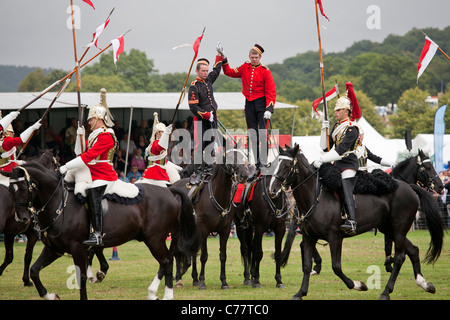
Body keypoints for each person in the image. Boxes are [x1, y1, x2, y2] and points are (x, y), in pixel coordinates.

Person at [59, 102, 118, 247]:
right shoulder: (94, 135)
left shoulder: (106, 135)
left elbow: (88, 156)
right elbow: (79, 152)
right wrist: (81, 136)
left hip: (103, 174)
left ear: (99, 119)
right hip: (92, 172)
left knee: (93, 193)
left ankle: (97, 233)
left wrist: (66, 166)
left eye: (91, 119)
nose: (89, 122)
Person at [313, 82, 362, 236]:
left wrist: (322, 160)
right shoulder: (336, 127)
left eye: (338, 110)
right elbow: (325, 147)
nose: (335, 112)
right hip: (336, 163)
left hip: (348, 164)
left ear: (346, 111)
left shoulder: (352, 128)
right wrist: (323, 128)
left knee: (345, 185)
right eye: (335, 110)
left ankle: (352, 221)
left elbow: (340, 151)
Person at [220, 43, 276, 170]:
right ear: (249, 56)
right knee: (253, 134)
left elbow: (271, 91)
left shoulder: (265, 71)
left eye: (256, 57)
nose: (254, 59)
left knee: (263, 134)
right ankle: (256, 163)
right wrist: (224, 59)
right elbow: (229, 72)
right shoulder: (245, 67)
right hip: (249, 104)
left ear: (260, 57)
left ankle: (263, 162)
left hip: (262, 104)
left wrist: (269, 109)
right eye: (252, 57)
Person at [187, 53, 224, 184]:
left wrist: (220, 56)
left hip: (212, 120)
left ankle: (208, 171)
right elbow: (193, 107)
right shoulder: (194, 86)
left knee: (210, 145)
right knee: (199, 147)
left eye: (206, 71)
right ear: (197, 71)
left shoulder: (208, 80)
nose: (205, 73)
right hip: (201, 120)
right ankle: (197, 173)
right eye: (203, 71)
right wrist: (206, 114)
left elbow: (217, 71)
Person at [141, 113, 180, 187]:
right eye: (162, 132)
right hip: (156, 171)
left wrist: (174, 166)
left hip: (161, 168)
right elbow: (160, 147)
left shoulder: (161, 143)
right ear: (157, 134)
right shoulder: (156, 143)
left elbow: (163, 160)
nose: (163, 133)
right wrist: (166, 134)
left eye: (164, 132)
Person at [0, 111, 41, 175]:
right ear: (5, 132)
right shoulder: (7, 140)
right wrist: (32, 128)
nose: (13, 133)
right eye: (11, 131)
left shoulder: (5, 139)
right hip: (7, 170)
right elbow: (20, 140)